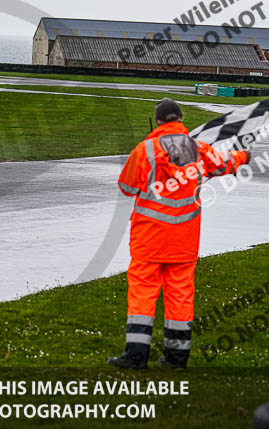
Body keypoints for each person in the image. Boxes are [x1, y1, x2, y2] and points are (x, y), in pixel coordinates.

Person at [108, 98, 252, 370]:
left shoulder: (145, 149)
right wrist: (245, 155)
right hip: (185, 239)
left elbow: (126, 187)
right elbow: (224, 164)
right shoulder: (198, 148)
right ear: (181, 118)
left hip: (149, 239)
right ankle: (177, 358)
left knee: (143, 294)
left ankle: (136, 356)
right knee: (180, 296)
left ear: (158, 119)